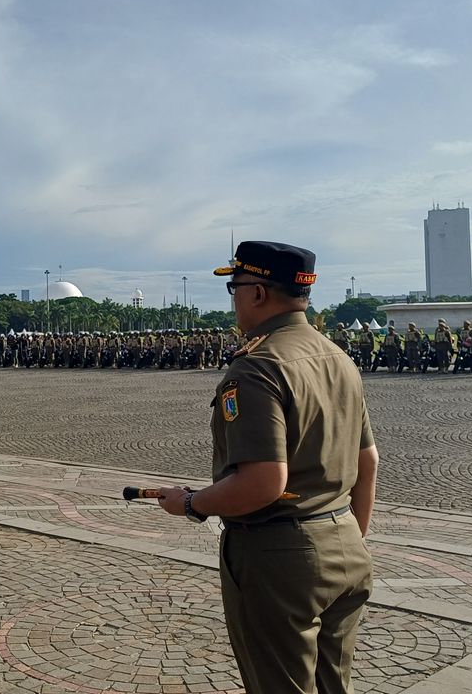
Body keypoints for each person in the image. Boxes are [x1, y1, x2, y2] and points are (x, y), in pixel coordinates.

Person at [157, 241, 377, 694]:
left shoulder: (258, 366)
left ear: (258, 292)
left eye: (234, 287)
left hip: (280, 558)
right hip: (345, 543)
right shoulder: (338, 358)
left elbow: (262, 482)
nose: (233, 299)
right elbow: (368, 461)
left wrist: (192, 503)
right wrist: (348, 533)